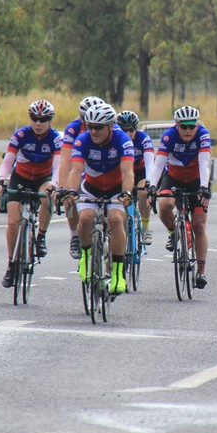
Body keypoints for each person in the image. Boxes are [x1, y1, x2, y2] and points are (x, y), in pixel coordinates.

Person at [65, 102, 134, 295]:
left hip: (115, 188)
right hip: (91, 187)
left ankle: (119, 273)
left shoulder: (123, 140)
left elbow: (128, 172)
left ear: (111, 126)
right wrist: (71, 190)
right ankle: (86, 256)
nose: (93, 131)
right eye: (90, 126)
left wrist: (126, 193)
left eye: (98, 127)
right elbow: (76, 170)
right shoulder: (82, 140)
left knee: (116, 219)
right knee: (85, 218)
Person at [0, 99, 62, 288]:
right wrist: (3, 178)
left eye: (43, 119)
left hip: (43, 178)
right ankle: (11, 264)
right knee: (12, 222)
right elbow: (8, 161)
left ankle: (41, 235)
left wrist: (55, 185)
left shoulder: (55, 138)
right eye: (34, 119)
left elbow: (59, 166)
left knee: (47, 196)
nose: (38, 123)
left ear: (50, 121)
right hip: (21, 177)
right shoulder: (21, 135)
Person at [146, 105, 212, 289]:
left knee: (199, 224)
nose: (188, 131)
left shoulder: (203, 135)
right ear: (177, 125)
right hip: (173, 177)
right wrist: (152, 186)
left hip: (197, 179)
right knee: (164, 204)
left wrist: (204, 187)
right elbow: (158, 164)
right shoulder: (169, 135)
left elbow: (204, 162)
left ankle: (201, 270)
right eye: (184, 127)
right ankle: (174, 232)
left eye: (192, 126)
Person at [58, 95, 106, 260]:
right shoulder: (73, 129)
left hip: (100, 169)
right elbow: (65, 161)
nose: (90, 125)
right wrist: (63, 188)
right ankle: (75, 236)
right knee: (69, 198)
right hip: (79, 168)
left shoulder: (110, 128)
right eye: (85, 119)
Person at [116, 110, 155, 245]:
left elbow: (150, 162)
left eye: (131, 130)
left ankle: (145, 227)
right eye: (123, 130)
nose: (128, 134)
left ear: (136, 129)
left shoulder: (143, 138)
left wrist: (149, 182)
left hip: (140, 171)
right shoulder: (115, 139)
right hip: (122, 171)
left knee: (143, 191)